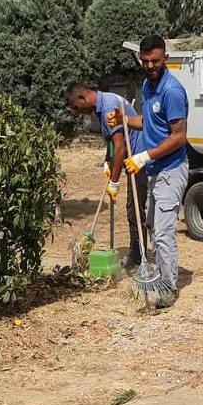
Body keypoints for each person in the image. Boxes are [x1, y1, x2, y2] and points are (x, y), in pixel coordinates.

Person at [106, 35, 188, 308]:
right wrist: (124, 120)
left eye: (155, 60)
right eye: (145, 61)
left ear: (165, 59)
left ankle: (168, 287)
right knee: (153, 225)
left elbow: (179, 137)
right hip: (155, 169)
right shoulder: (147, 85)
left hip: (171, 169)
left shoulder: (172, 91)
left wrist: (143, 156)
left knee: (164, 232)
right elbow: (148, 121)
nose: (150, 65)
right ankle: (162, 274)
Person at [66, 84, 148, 268]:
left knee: (134, 209)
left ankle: (138, 255)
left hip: (139, 159)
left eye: (77, 108)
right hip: (129, 157)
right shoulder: (101, 107)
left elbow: (120, 147)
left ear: (83, 97)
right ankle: (138, 252)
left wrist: (114, 182)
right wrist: (106, 160)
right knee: (133, 209)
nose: (79, 113)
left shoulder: (109, 106)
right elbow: (112, 142)